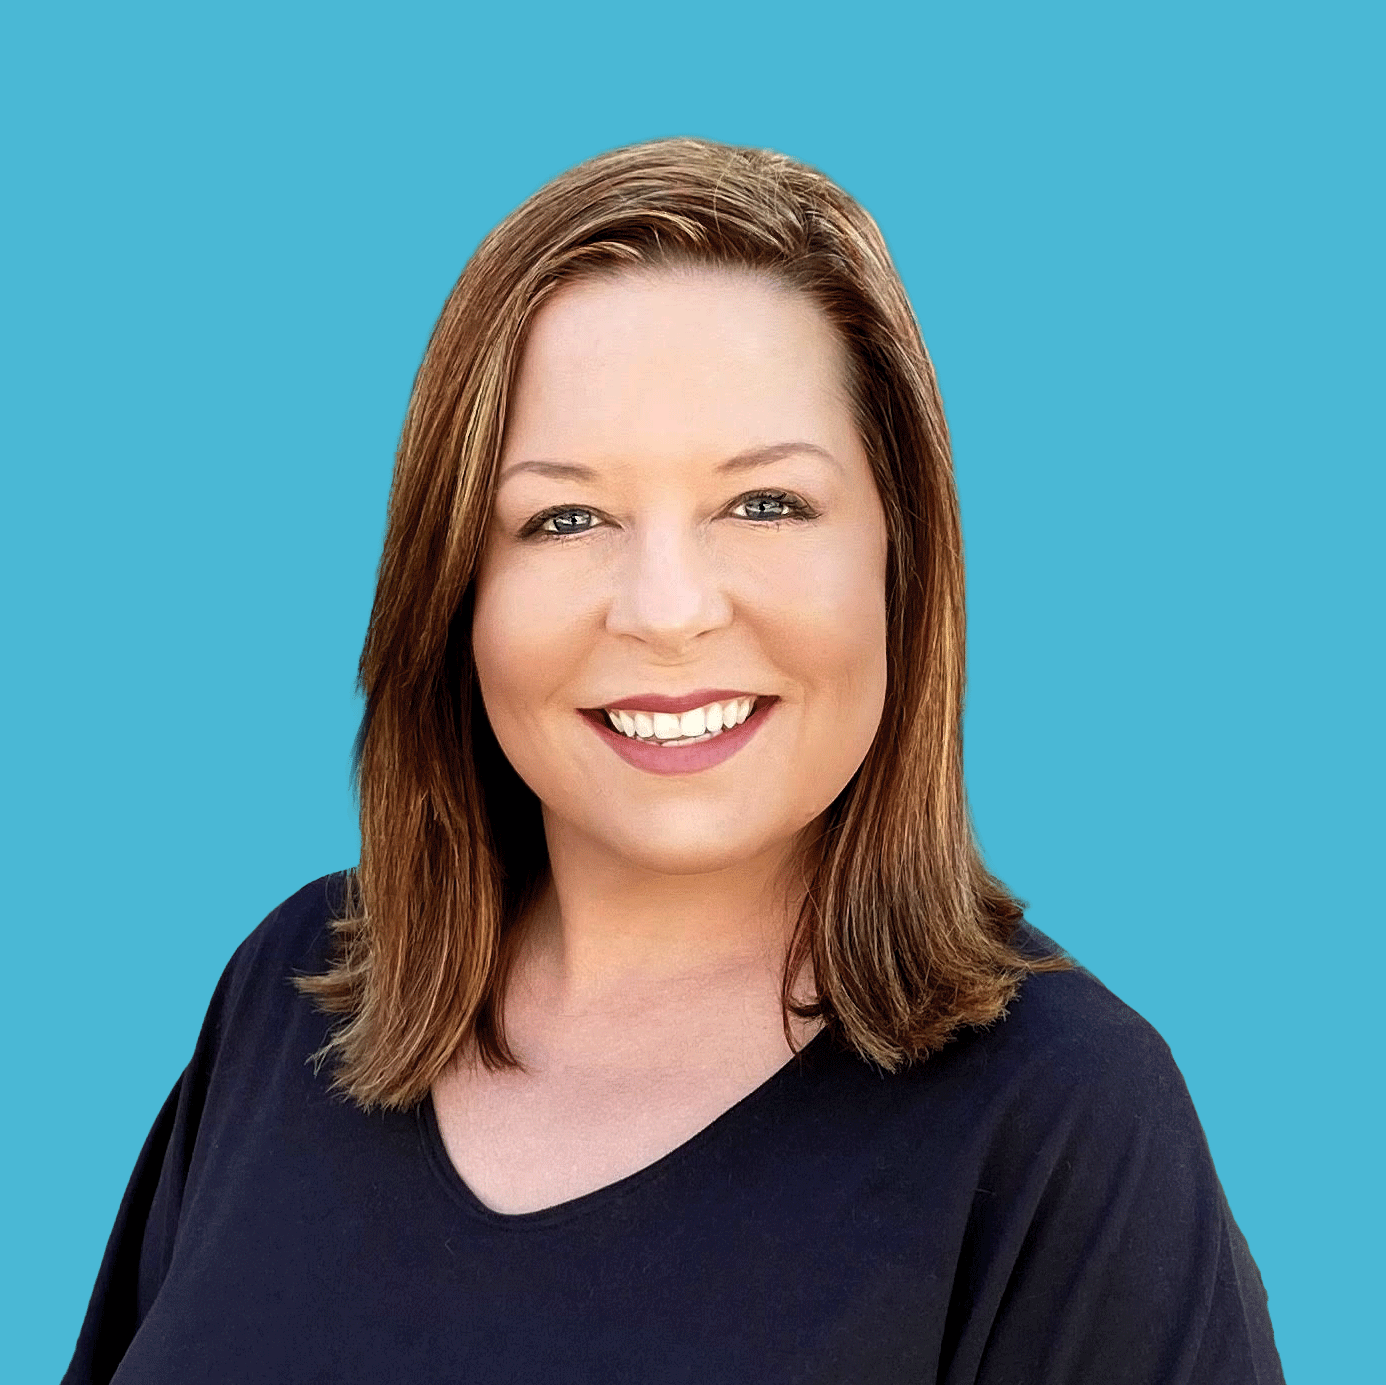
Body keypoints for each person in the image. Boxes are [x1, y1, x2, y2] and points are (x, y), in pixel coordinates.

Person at [64, 136, 1285, 1383]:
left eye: (764, 504)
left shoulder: (1069, 1124)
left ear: (899, 560)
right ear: (457, 588)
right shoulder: (293, 993)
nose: (665, 608)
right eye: (565, 516)